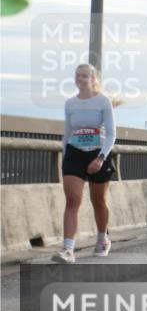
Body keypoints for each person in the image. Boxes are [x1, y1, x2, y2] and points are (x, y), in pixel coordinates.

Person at [52, 64, 117, 263]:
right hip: (75, 153)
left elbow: (111, 134)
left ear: (93, 79)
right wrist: (66, 157)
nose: (80, 79)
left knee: (98, 201)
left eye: (84, 76)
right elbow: (67, 133)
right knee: (72, 200)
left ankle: (102, 239)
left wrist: (101, 158)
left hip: (98, 153)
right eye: (77, 75)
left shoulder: (103, 101)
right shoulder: (70, 103)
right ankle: (68, 250)